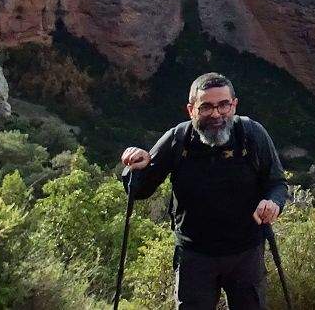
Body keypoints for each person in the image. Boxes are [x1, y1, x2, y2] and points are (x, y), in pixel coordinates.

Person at [119, 72, 289, 310]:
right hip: (194, 257)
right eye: (206, 107)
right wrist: (136, 166)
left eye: (223, 105)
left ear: (234, 105)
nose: (216, 114)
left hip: (246, 254)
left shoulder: (251, 134)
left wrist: (273, 203)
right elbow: (138, 190)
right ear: (192, 110)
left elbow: (277, 183)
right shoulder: (178, 138)